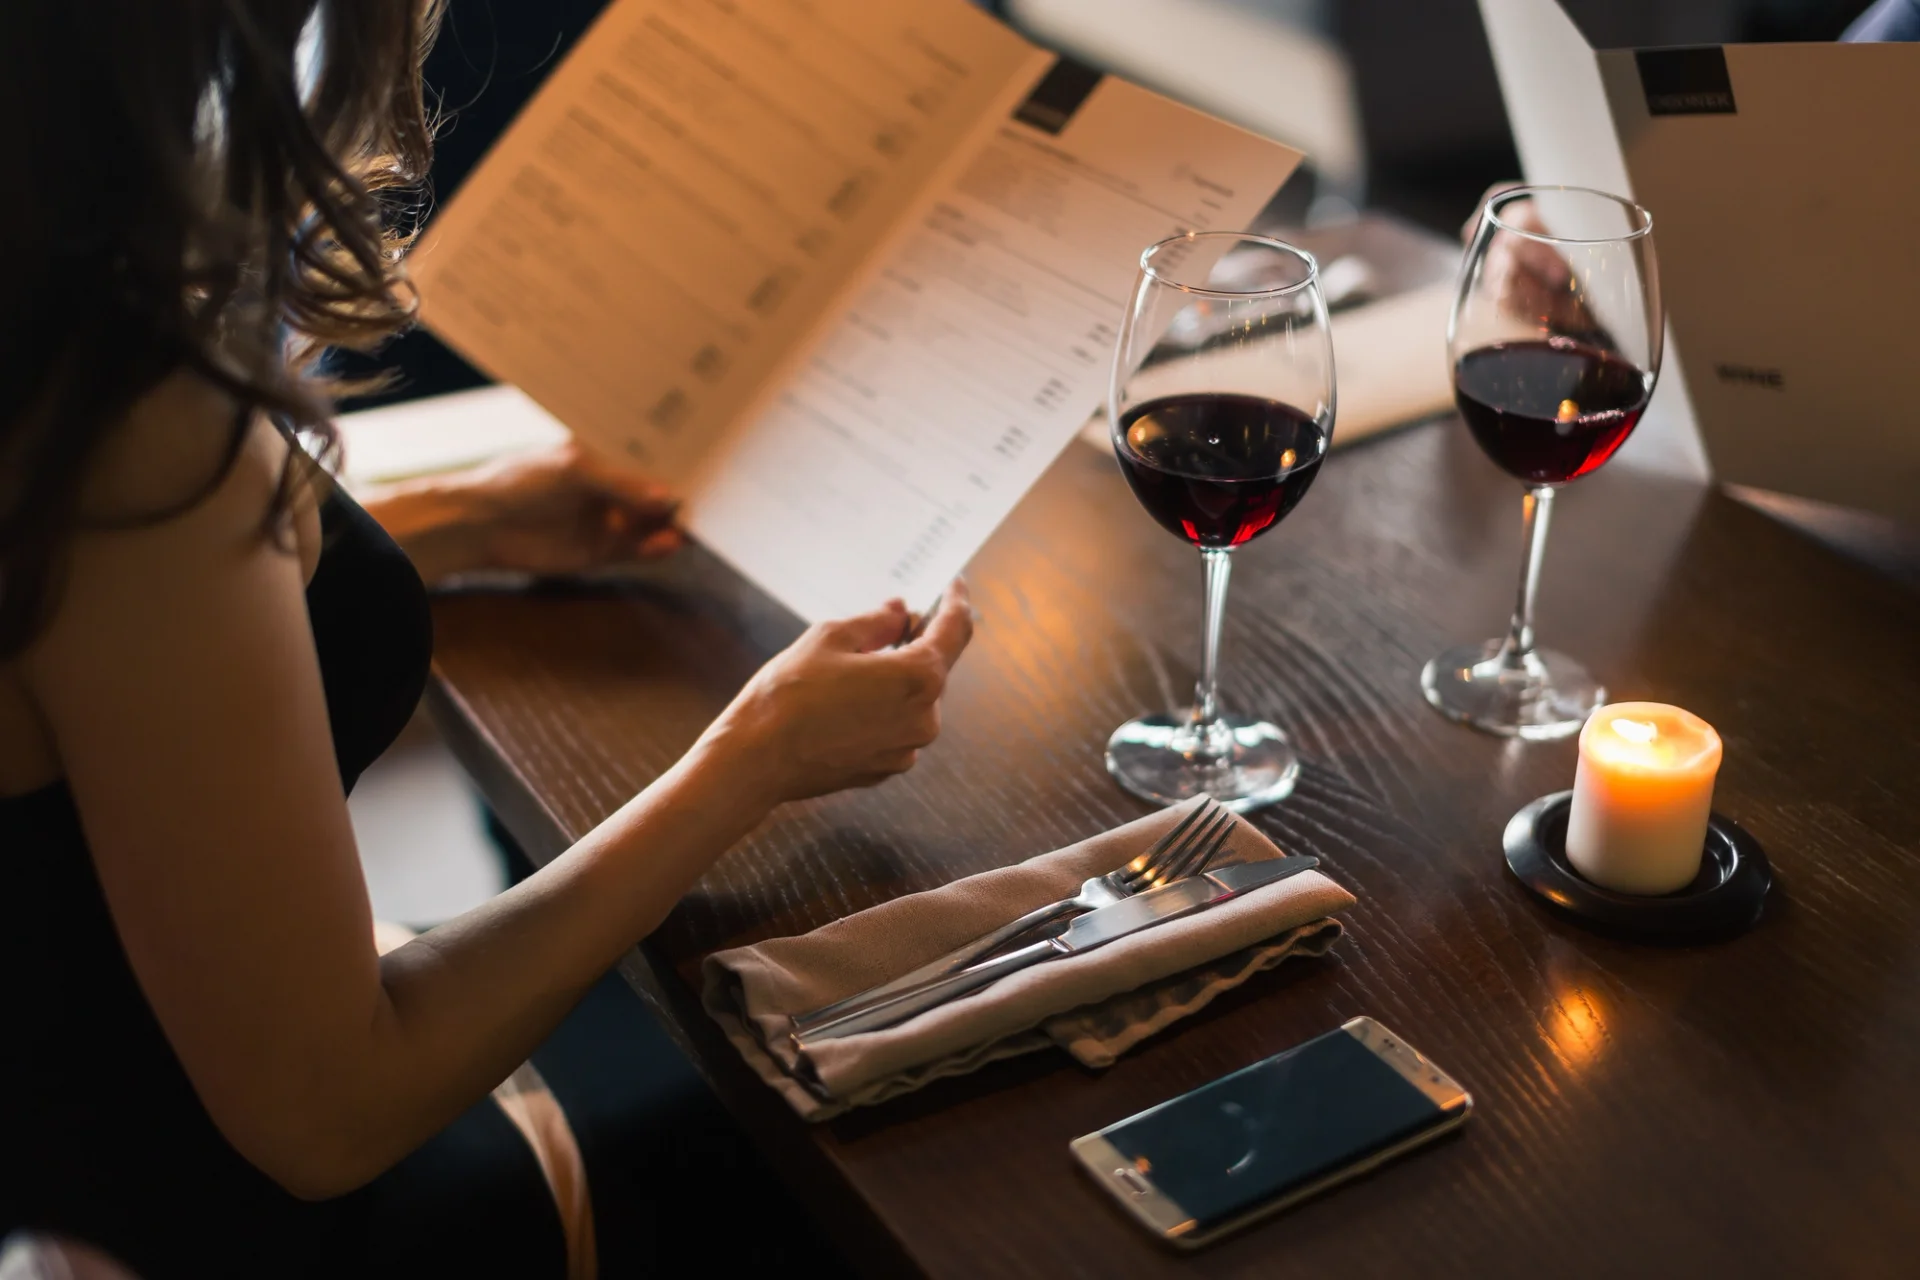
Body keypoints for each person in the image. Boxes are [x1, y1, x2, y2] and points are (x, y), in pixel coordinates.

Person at [0, 2, 973, 1276]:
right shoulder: (136, 426)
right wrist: (760, 750)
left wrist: (472, 516)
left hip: (85, 1082)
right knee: (873, 1104)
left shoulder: (46, 311)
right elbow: (328, 1111)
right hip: (250, 1208)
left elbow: (106, 637)